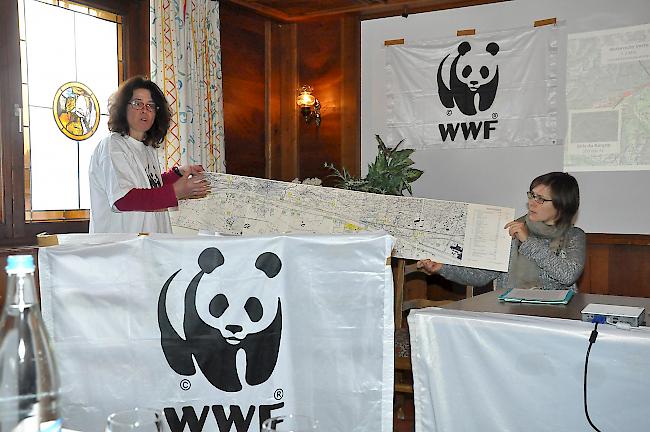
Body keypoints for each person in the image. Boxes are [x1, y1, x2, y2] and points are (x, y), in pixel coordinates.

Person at [417, 172, 586, 291]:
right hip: (510, 312)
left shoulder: (573, 236)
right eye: (532, 195)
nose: (532, 203)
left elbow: (568, 275)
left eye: (540, 199)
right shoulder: (511, 229)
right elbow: (481, 276)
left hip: (553, 317)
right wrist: (442, 268)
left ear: (561, 206)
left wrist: (527, 242)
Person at [89, 76, 210, 233]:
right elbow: (123, 199)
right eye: (137, 103)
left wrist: (178, 173)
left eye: (151, 105)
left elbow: (148, 185)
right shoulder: (113, 145)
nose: (144, 110)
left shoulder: (147, 149)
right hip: (121, 249)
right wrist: (176, 191)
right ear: (122, 108)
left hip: (150, 246)